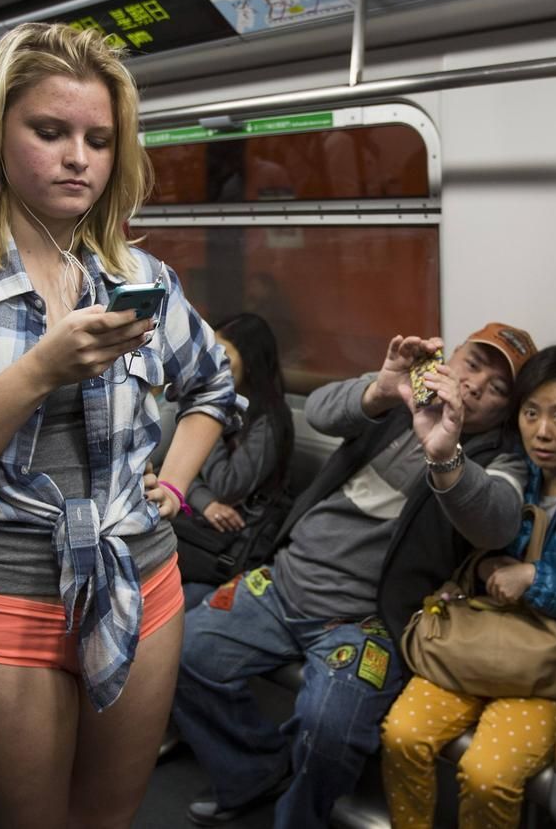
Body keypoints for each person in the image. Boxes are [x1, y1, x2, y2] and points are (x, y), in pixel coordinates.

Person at [0, 23, 240, 829]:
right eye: (50, 131)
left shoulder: (140, 277)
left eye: (99, 139)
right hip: (4, 593)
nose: (79, 158)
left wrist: (172, 482)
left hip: (142, 579)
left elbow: (214, 385)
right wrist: (39, 371)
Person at [172, 323, 536, 828]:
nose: (475, 385)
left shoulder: (500, 458)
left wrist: (445, 453)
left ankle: (297, 818)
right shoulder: (400, 398)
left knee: (329, 731)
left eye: (497, 387)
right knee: (181, 654)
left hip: (364, 621)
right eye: (473, 364)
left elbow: (496, 521)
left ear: (507, 411)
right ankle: (252, 770)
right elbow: (319, 410)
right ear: (451, 358)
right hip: (284, 580)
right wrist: (381, 389)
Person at [380, 344, 556, 829]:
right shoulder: (508, 468)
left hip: (542, 672)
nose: (542, 431)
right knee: (401, 735)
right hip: (474, 643)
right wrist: (472, 576)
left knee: (485, 774)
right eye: (532, 413)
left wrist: (535, 579)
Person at [174, 312, 295, 597]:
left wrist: (209, 418)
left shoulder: (270, 420)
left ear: (251, 359)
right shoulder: (219, 403)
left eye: (224, 353)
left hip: (227, 547)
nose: (215, 362)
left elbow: (225, 486)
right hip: (197, 528)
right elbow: (173, 469)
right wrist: (204, 501)